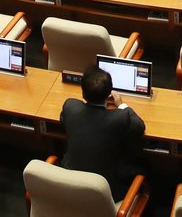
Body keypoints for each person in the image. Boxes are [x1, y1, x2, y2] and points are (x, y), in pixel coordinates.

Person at [59, 65, 145, 199]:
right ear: (109, 93)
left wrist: (85, 104)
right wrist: (121, 105)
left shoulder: (70, 107)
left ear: (83, 92)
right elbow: (139, 127)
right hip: (105, 192)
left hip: (70, 184)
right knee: (143, 169)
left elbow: (63, 120)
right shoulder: (120, 117)